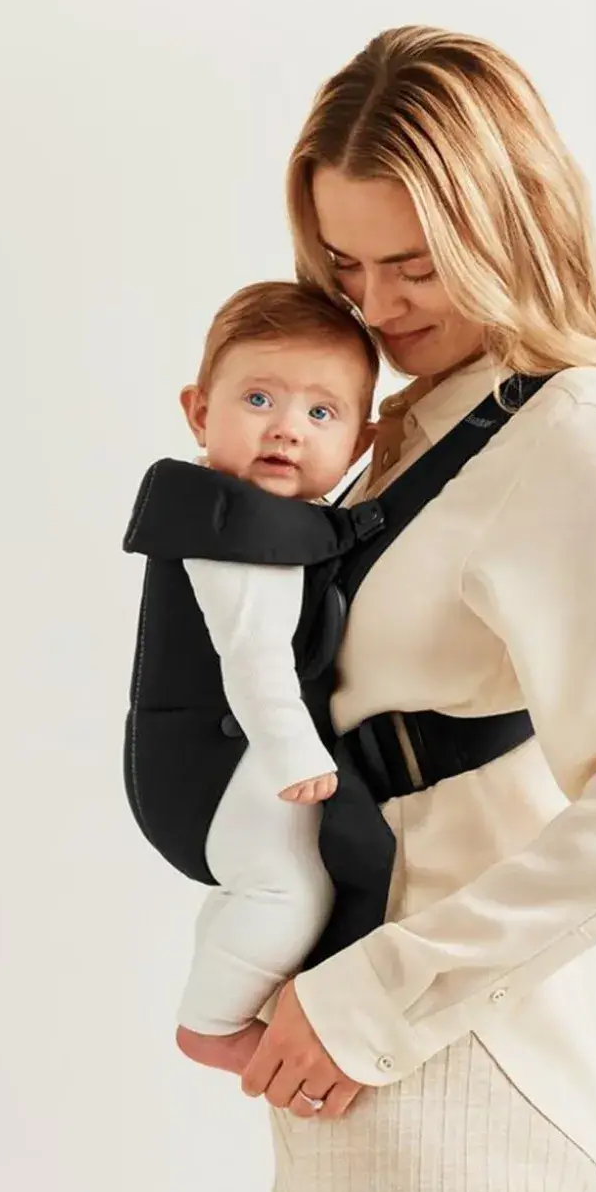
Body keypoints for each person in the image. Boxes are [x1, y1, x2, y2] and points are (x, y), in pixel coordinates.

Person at [233, 26, 596, 1192]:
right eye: (346, 264)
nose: (376, 305)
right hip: (357, 1054)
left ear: (509, 221)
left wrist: (372, 1002)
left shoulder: (578, 429)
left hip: (436, 1066)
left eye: (415, 264)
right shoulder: (416, 423)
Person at [157, 282, 379, 1075]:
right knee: (289, 890)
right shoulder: (234, 535)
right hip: (237, 764)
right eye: (259, 399)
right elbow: (252, 657)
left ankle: (226, 990)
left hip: (236, 764)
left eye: (321, 412)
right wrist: (295, 754)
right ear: (199, 412)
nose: (287, 427)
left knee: (253, 886)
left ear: (360, 443)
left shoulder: (268, 524)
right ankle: (211, 1026)